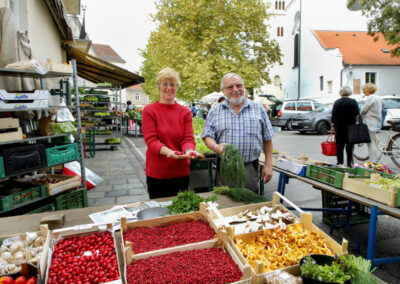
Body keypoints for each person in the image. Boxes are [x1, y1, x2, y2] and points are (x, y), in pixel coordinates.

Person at [202, 73, 274, 192]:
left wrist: (268, 164)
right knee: (224, 204)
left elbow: (267, 139)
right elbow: (207, 136)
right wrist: (216, 146)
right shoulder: (215, 110)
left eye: (239, 85)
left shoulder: (258, 109)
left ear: (244, 87)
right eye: (230, 87)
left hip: (250, 168)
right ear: (223, 91)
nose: (235, 89)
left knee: (249, 205)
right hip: (225, 168)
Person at [142, 67, 204, 199]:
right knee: (160, 213)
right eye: (165, 84)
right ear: (159, 86)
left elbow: (188, 138)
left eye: (173, 84)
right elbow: (151, 141)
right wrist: (169, 153)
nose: (169, 88)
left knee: (180, 212)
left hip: (181, 172)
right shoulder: (149, 110)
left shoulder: (185, 112)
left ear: (177, 87)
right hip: (158, 173)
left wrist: (189, 151)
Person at [331, 86, 359, 167]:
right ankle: (349, 163)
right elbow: (357, 113)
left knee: (340, 145)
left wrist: (333, 123)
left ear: (341, 92)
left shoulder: (337, 102)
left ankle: (340, 162)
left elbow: (333, 115)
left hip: (339, 126)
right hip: (351, 126)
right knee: (350, 146)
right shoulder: (353, 102)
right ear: (349, 92)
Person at [361, 83, 383, 163]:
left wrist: (360, 113)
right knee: (372, 141)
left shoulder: (370, 98)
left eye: (364, 90)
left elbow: (364, 109)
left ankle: (373, 161)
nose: (363, 92)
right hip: (377, 121)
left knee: (370, 143)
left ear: (367, 90)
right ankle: (373, 159)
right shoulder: (378, 97)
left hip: (370, 121)